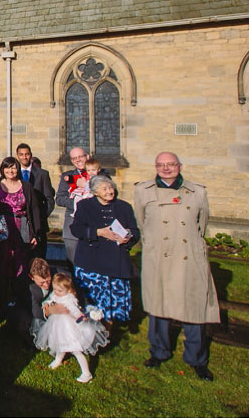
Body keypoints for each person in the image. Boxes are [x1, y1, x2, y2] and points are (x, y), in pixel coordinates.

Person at [134, 152, 219, 381]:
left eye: (171, 164)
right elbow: (142, 222)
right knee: (158, 304)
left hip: (188, 256)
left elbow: (201, 224)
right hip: (159, 257)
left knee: (194, 306)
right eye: (161, 165)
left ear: (179, 166)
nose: (166, 168)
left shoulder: (197, 192)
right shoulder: (142, 191)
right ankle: (159, 352)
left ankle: (196, 359)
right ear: (155, 166)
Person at [70, 175, 140, 328]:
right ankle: (93, 331)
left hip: (116, 261)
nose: (110, 191)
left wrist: (128, 237)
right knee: (94, 306)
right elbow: (76, 229)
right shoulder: (84, 206)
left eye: (111, 188)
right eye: (105, 189)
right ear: (95, 192)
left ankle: (110, 328)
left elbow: (135, 231)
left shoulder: (124, 207)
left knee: (114, 306)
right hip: (92, 261)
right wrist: (98, 232)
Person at [0, 156, 42, 326]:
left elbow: (33, 210)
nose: (10, 171)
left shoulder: (26, 187)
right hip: (3, 231)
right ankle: (0, 308)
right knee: (1, 269)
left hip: (21, 230)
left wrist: (35, 233)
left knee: (20, 268)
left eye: (13, 168)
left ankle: (21, 308)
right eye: (7, 168)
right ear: (2, 169)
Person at [33, 273, 109, 383]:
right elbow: (51, 299)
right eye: (54, 289)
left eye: (59, 291)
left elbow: (74, 310)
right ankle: (58, 359)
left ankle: (86, 373)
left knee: (75, 349)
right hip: (58, 324)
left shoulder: (69, 299)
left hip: (69, 326)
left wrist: (79, 316)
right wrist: (47, 303)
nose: (56, 292)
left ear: (68, 290)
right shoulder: (56, 294)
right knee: (59, 342)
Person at [16, 143, 55, 258]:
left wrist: (40, 217)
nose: (24, 157)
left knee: (38, 257)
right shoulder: (12, 173)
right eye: (21, 154)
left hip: (38, 225)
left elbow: (49, 200)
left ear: (31, 155)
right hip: (19, 223)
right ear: (17, 156)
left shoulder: (42, 174)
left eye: (27, 154)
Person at [55, 147, 90, 263]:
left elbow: (110, 193)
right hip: (72, 226)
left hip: (94, 225)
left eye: (81, 157)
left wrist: (88, 186)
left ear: (87, 157)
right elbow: (59, 199)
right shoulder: (67, 176)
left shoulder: (101, 174)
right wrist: (78, 202)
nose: (78, 160)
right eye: (74, 158)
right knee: (73, 263)